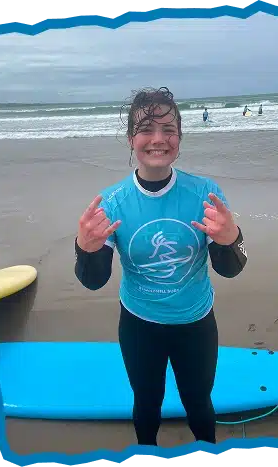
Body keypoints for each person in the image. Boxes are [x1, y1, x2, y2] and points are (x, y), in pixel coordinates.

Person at [74, 86, 248, 449]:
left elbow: (231, 269)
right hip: (140, 324)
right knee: (146, 402)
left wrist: (231, 239)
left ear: (180, 137)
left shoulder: (205, 194)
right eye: (146, 129)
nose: (158, 139)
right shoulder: (112, 202)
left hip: (196, 323)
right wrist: (85, 250)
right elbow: (94, 281)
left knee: (198, 402)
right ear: (130, 138)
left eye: (169, 129)